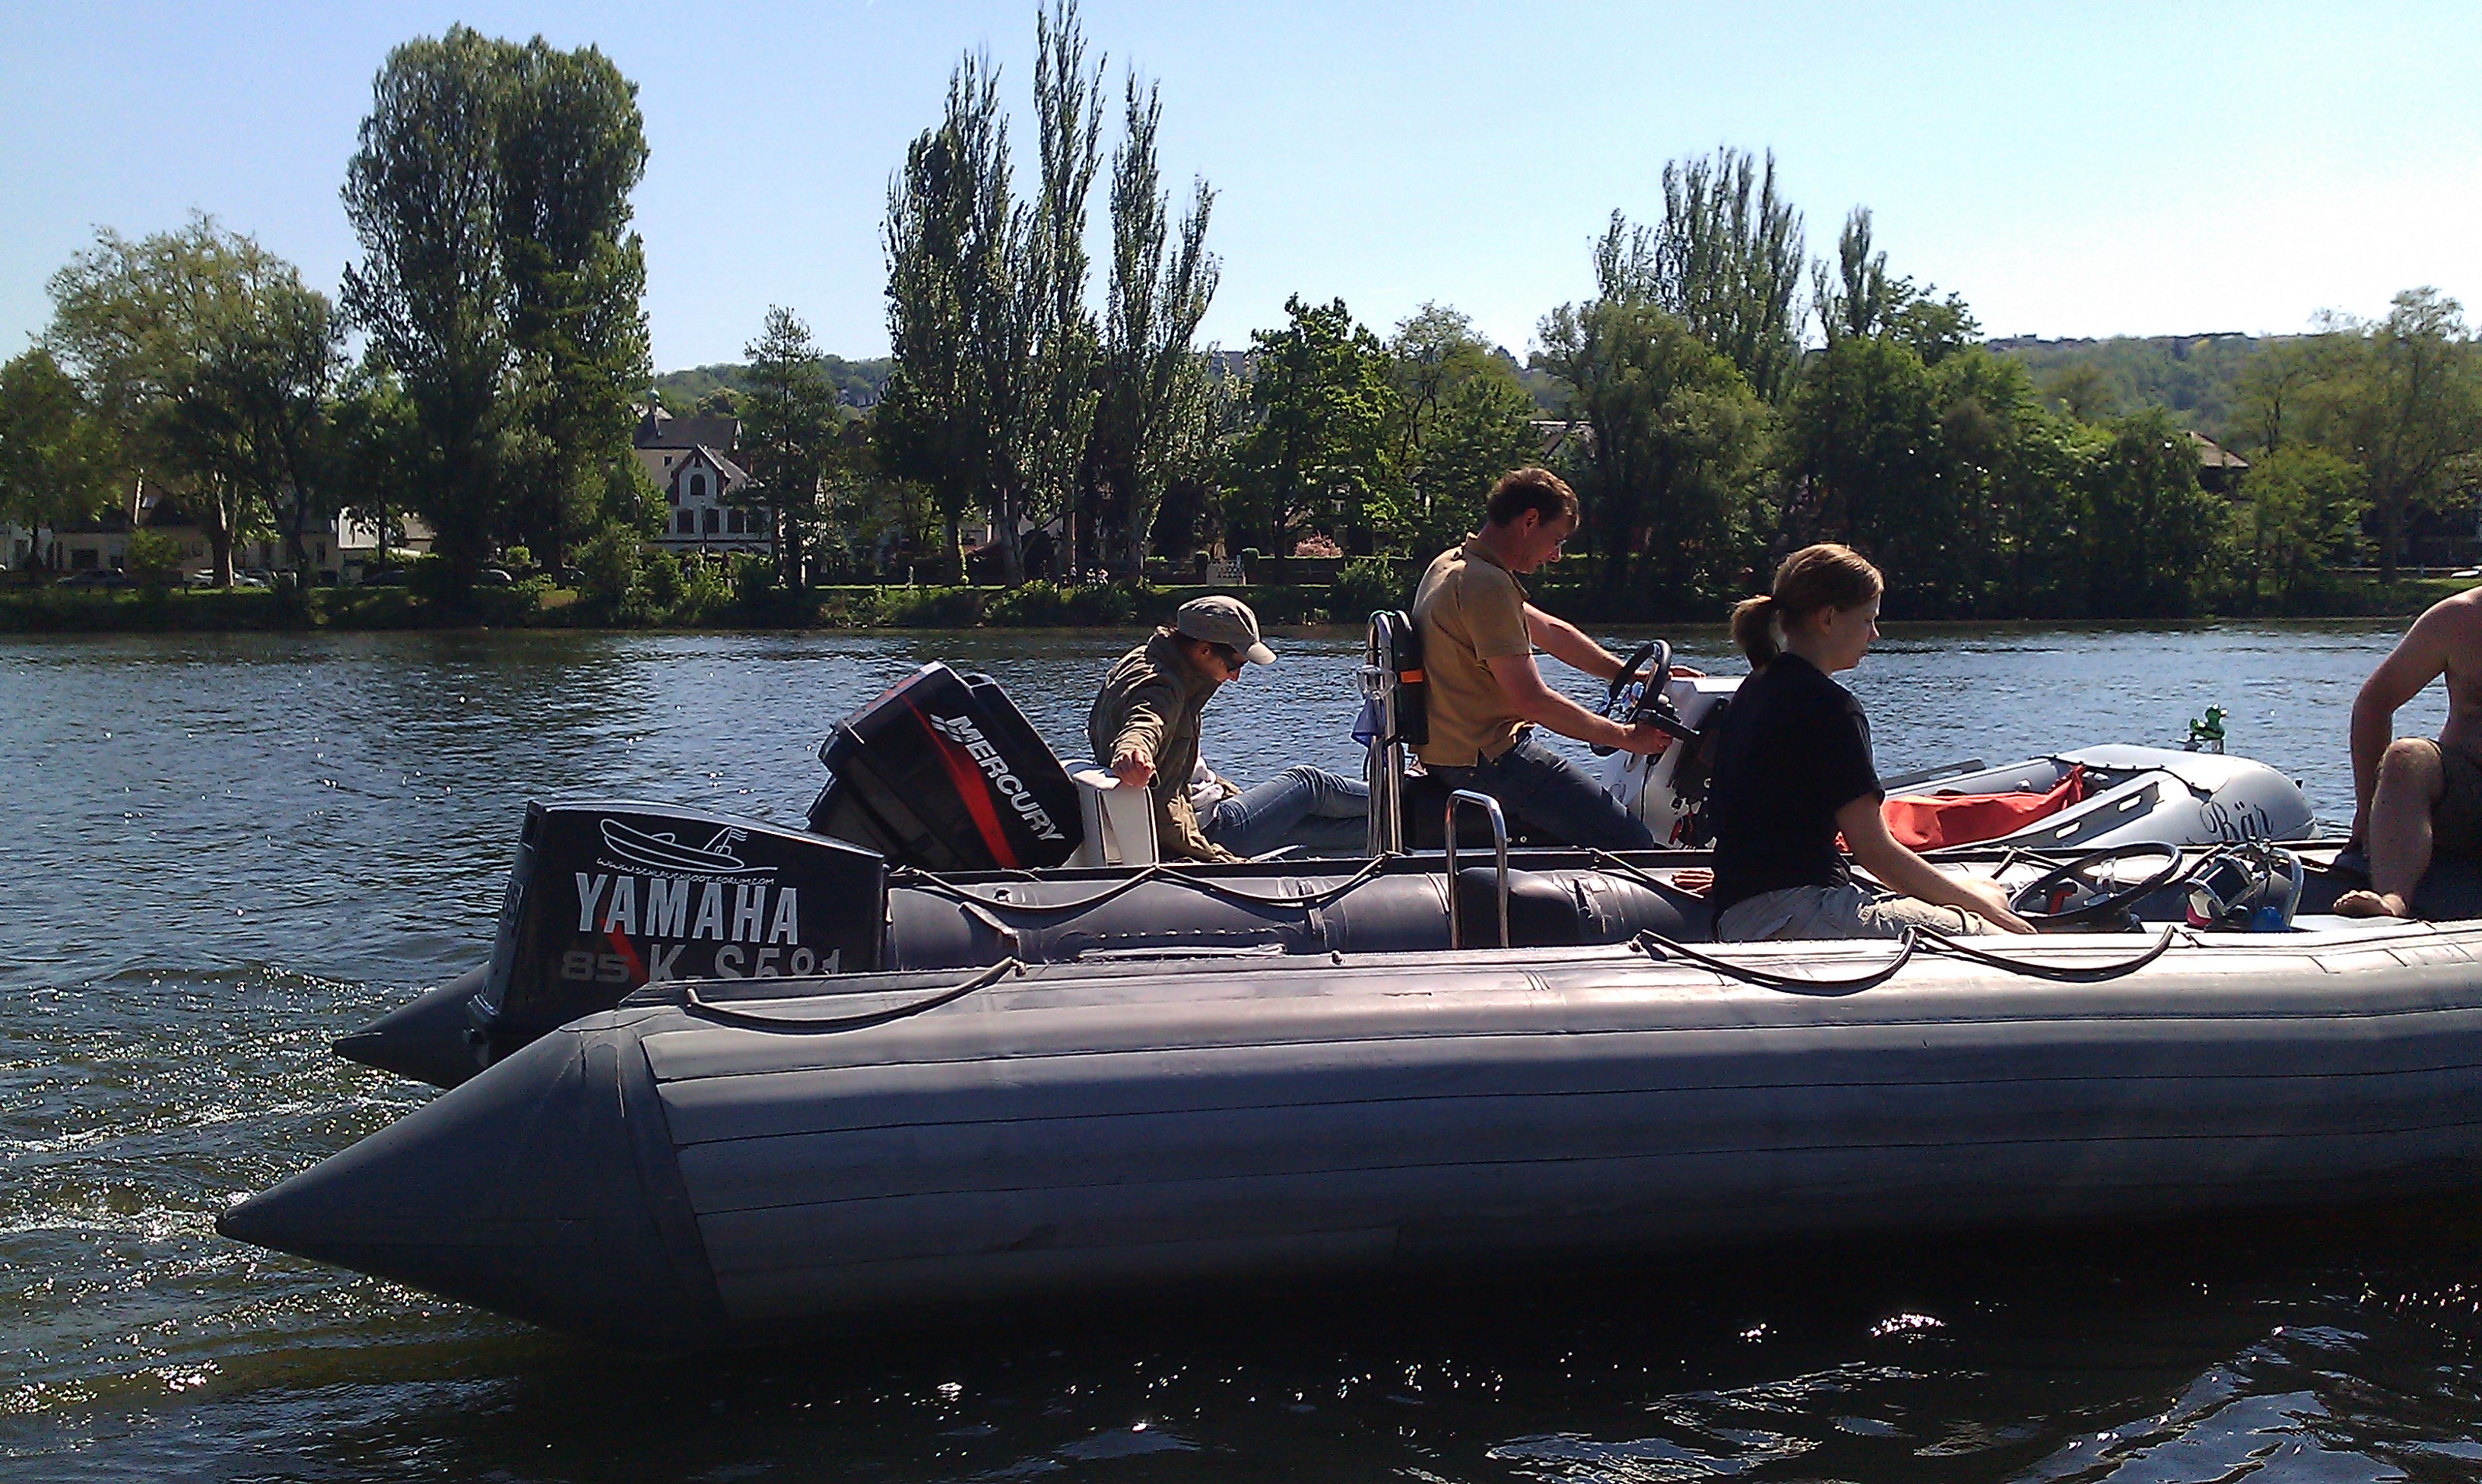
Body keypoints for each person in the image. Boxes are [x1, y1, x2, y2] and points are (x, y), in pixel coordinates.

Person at [1706, 544, 2033, 940]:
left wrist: (1977, 899)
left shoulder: (1753, 689)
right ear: (1829, 618)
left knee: (1989, 891)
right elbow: (1876, 853)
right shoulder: (1831, 707)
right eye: (1867, 620)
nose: (1874, 634)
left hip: (1738, 913)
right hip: (1796, 913)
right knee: (1993, 936)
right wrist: (2001, 923)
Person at [1410, 468, 1672, 850]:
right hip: (1493, 763)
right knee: (1633, 842)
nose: (1556, 556)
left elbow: (1549, 632)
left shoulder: (1453, 565)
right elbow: (1532, 700)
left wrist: (1633, 675)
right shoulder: (1488, 585)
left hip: (1454, 756)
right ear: (1529, 521)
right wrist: (1627, 737)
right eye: (1556, 540)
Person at [1088, 595, 1369, 864]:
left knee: (1319, 826)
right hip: (1214, 828)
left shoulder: (1143, 660)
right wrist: (1132, 753)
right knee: (1309, 784)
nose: (1235, 677)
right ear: (1204, 649)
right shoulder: (1163, 687)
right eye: (1235, 664)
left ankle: (1400, 826)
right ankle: (1403, 794)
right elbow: (1145, 722)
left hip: (1203, 814)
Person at [2335, 588, 2482, 918]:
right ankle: (2393, 898)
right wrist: (2366, 808)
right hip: (2465, 794)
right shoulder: (2457, 619)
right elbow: (2376, 701)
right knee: (2406, 755)